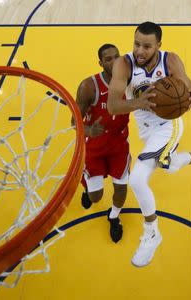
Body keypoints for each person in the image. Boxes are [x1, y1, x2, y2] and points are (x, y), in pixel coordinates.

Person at [106, 22, 191, 266]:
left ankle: (152, 232)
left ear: (159, 45)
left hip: (169, 126)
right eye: (137, 44)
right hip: (146, 130)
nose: (140, 50)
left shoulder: (171, 61)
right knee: (168, 166)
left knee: (137, 178)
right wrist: (140, 103)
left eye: (147, 46)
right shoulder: (123, 64)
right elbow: (113, 106)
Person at [73, 44, 131, 243]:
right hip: (95, 146)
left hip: (119, 145)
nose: (114, 61)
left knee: (121, 189)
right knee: (96, 196)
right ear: (100, 63)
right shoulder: (88, 86)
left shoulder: (130, 80)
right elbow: (74, 122)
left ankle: (114, 216)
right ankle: (87, 186)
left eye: (117, 56)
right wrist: (89, 130)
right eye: (108, 59)